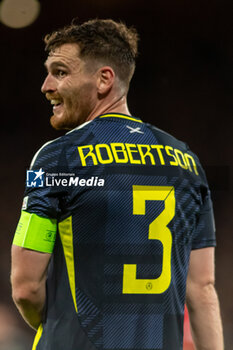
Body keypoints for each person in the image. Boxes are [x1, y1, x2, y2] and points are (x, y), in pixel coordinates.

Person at [11, 19, 224, 350]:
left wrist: (63, 328)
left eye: (60, 72)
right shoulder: (187, 162)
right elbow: (203, 287)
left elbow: (26, 287)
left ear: (103, 79)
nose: (46, 85)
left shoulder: (58, 158)